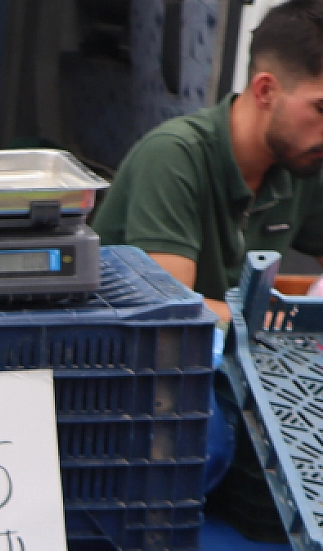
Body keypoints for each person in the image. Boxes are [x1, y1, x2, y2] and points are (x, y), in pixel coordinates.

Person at [93, 0, 323, 320]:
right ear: (266, 91)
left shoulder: (303, 161)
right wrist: (283, 323)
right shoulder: (172, 157)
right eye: (321, 110)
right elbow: (171, 311)